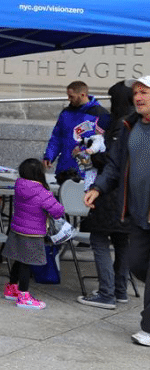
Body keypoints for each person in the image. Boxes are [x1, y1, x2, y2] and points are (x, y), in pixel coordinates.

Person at [84, 75, 150, 346]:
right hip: (137, 214)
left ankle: (148, 328)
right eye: (136, 92)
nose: (139, 97)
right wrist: (98, 188)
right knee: (136, 264)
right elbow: (114, 164)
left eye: (145, 92)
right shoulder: (128, 125)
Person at [77, 80, 132, 310]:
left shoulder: (122, 124)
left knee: (99, 240)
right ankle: (120, 290)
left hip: (111, 193)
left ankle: (107, 293)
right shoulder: (133, 122)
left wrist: (90, 158)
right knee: (121, 242)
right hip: (126, 194)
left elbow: (113, 162)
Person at [3, 159, 65, 310]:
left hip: (17, 229)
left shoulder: (20, 185)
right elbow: (58, 211)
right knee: (27, 262)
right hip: (33, 233)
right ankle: (24, 295)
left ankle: (11, 287)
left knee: (19, 259)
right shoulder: (42, 192)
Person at [43, 80, 110, 184]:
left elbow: (104, 144)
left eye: (72, 96)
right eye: (68, 96)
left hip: (87, 169)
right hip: (64, 167)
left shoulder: (100, 114)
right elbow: (56, 137)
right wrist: (49, 156)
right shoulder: (66, 112)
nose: (68, 99)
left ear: (82, 95)